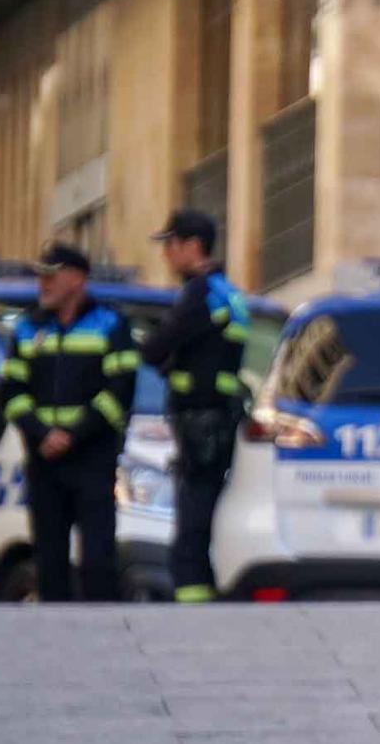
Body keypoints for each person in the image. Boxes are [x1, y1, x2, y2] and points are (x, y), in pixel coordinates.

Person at [0, 244, 138, 601]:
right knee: (49, 559)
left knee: (97, 557)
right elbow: (11, 391)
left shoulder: (111, 324)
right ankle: (55, 635)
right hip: (45, 459)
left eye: (51, 275)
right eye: (41, 275)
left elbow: (119, 392)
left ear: (76, 278)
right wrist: (42, 433)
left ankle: (103, 632)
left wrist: (74, 435)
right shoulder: (28, 327)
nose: (43, 283)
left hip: (92, 457)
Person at [142, 210, 249, 603]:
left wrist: (164, 359)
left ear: (191, 246)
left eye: (170, 245)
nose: (166, 254)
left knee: (191, 527)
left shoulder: (199, 294)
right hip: (220, 418)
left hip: (200, 420)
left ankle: (193, 608)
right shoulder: (228, 292)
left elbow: (157, 347)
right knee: (204, 515)